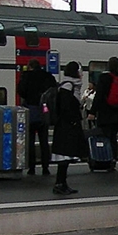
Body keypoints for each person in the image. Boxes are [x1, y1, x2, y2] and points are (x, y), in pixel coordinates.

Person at [49, 61, 90, 195]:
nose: (81, 74)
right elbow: (66, 107)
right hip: (66, 127)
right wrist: (73, 120)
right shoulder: (68, 86)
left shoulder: (70, 85)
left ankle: (62, 183)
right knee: (64, 156)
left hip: (67, 126)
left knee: (65, 157)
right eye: (80, 71)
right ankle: (60, 184)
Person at [17, 60, 57, 175]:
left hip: (31, 110)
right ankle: (45, 167)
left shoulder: (26, 77)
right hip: (44, 111)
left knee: (30, 141)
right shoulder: (48, 76)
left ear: (30, 67)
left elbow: (21, 91)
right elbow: (53, 91)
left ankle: (32, 167)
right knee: (44, 140)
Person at [90, 56, 118, 163]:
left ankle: (104, 158)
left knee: (104, 137)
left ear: (108, 65)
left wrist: (92, 112)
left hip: (105, 114)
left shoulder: (104, 78)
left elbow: (99, 96)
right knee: (113, 138)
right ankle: (113, 159)